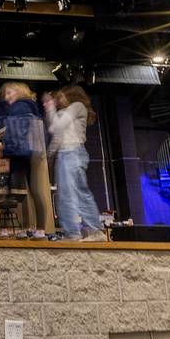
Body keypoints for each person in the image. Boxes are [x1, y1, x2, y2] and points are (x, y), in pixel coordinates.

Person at [44, 85, 106, 242]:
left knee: (74, 193)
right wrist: (49, 155)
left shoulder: (77, 107)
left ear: (70, 96)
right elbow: (55, 133)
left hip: (73, 153)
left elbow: (57, 127)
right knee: (68, 194)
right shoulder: (63, 112)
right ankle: (76, 232)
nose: (58, 100)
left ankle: (87, 231)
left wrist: (50, 109)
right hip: (65, 154)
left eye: (60, 97)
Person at [0, 82, 49, 239]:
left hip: (20, 150)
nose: (7, 97)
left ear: (19, 92)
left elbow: (16, 131)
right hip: (33, 151)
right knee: (34, 190)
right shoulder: (31, 106)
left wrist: (7, 149)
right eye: (6, 94)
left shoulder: (19, 106)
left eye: (10, 93)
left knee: (12, 188)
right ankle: (39, 229)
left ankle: (8, 227)